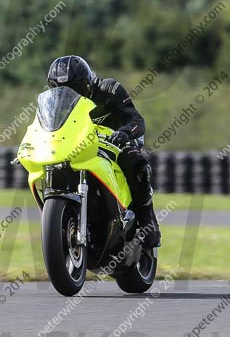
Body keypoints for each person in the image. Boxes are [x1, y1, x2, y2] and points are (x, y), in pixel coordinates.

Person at [46, 55, 160, 247]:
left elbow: (137, 120)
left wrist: (124, 133)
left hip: (114, 140)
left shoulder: (109, 89)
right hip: (80, 144)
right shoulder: (55, 103)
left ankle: (148, 220)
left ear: (87, 83)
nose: (69, 94)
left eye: (75, 89)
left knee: (136, 163)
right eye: (60, 90)